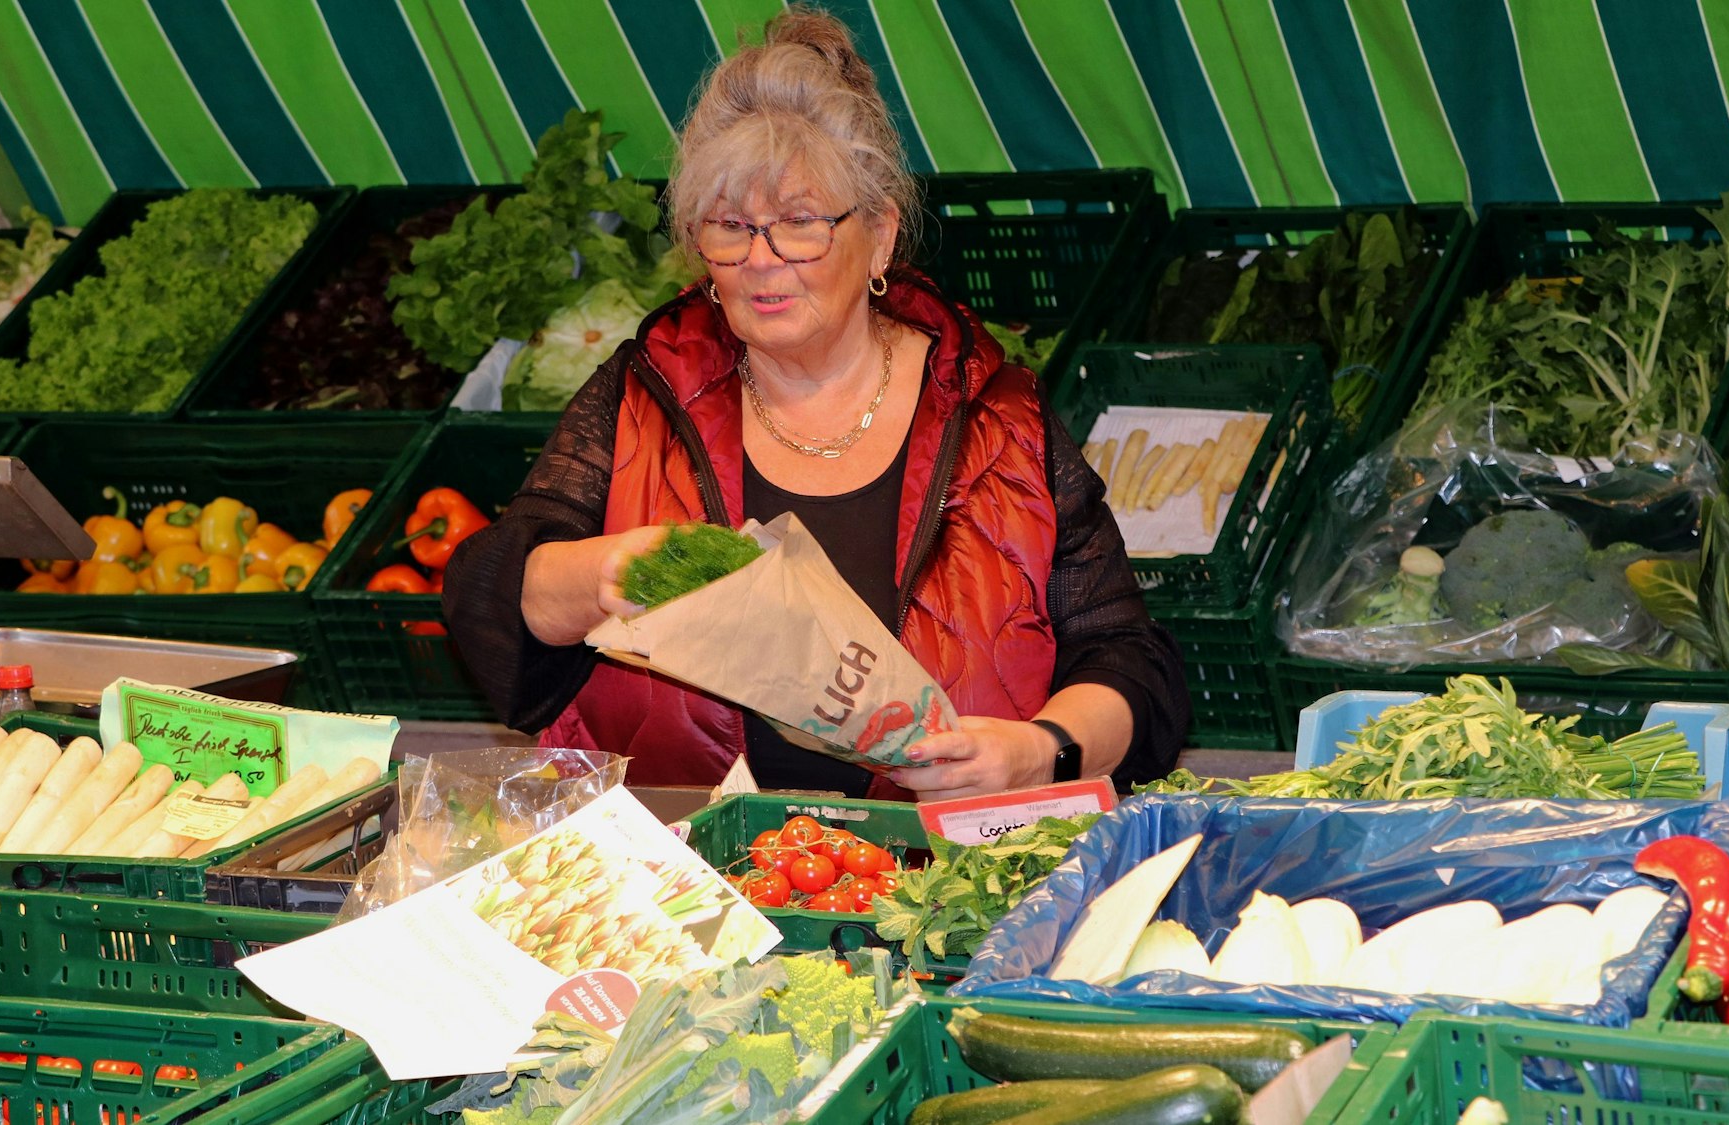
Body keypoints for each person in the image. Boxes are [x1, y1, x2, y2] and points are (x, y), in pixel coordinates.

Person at [445, 7, 1189, 801]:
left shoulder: (995, 416)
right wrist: (603, 573)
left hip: (942, 890)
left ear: (879, 237)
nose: (761, 261)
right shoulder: (645, 393)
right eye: (730, 226)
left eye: (799, 224)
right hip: (689, 889)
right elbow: (492, 595)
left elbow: (1126, 658)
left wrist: (1042, 752)